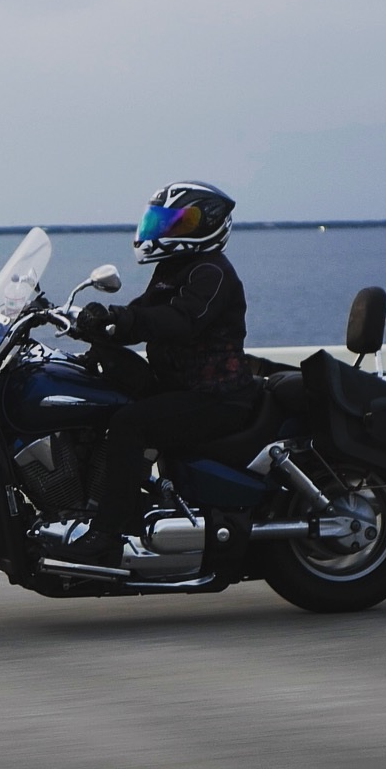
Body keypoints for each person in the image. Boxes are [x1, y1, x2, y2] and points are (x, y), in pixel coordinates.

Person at [67, 178, 252, 560]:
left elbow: (180, 320)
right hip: (179, 387)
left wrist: (120, 319)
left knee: (130, 423)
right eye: (165, 222)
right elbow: (143, 311)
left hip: (216, 397)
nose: (166, 230)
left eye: (179, 222)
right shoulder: (173, 268)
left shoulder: (211, 272)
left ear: (208, 225)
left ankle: (106, 535)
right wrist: (92, 324)